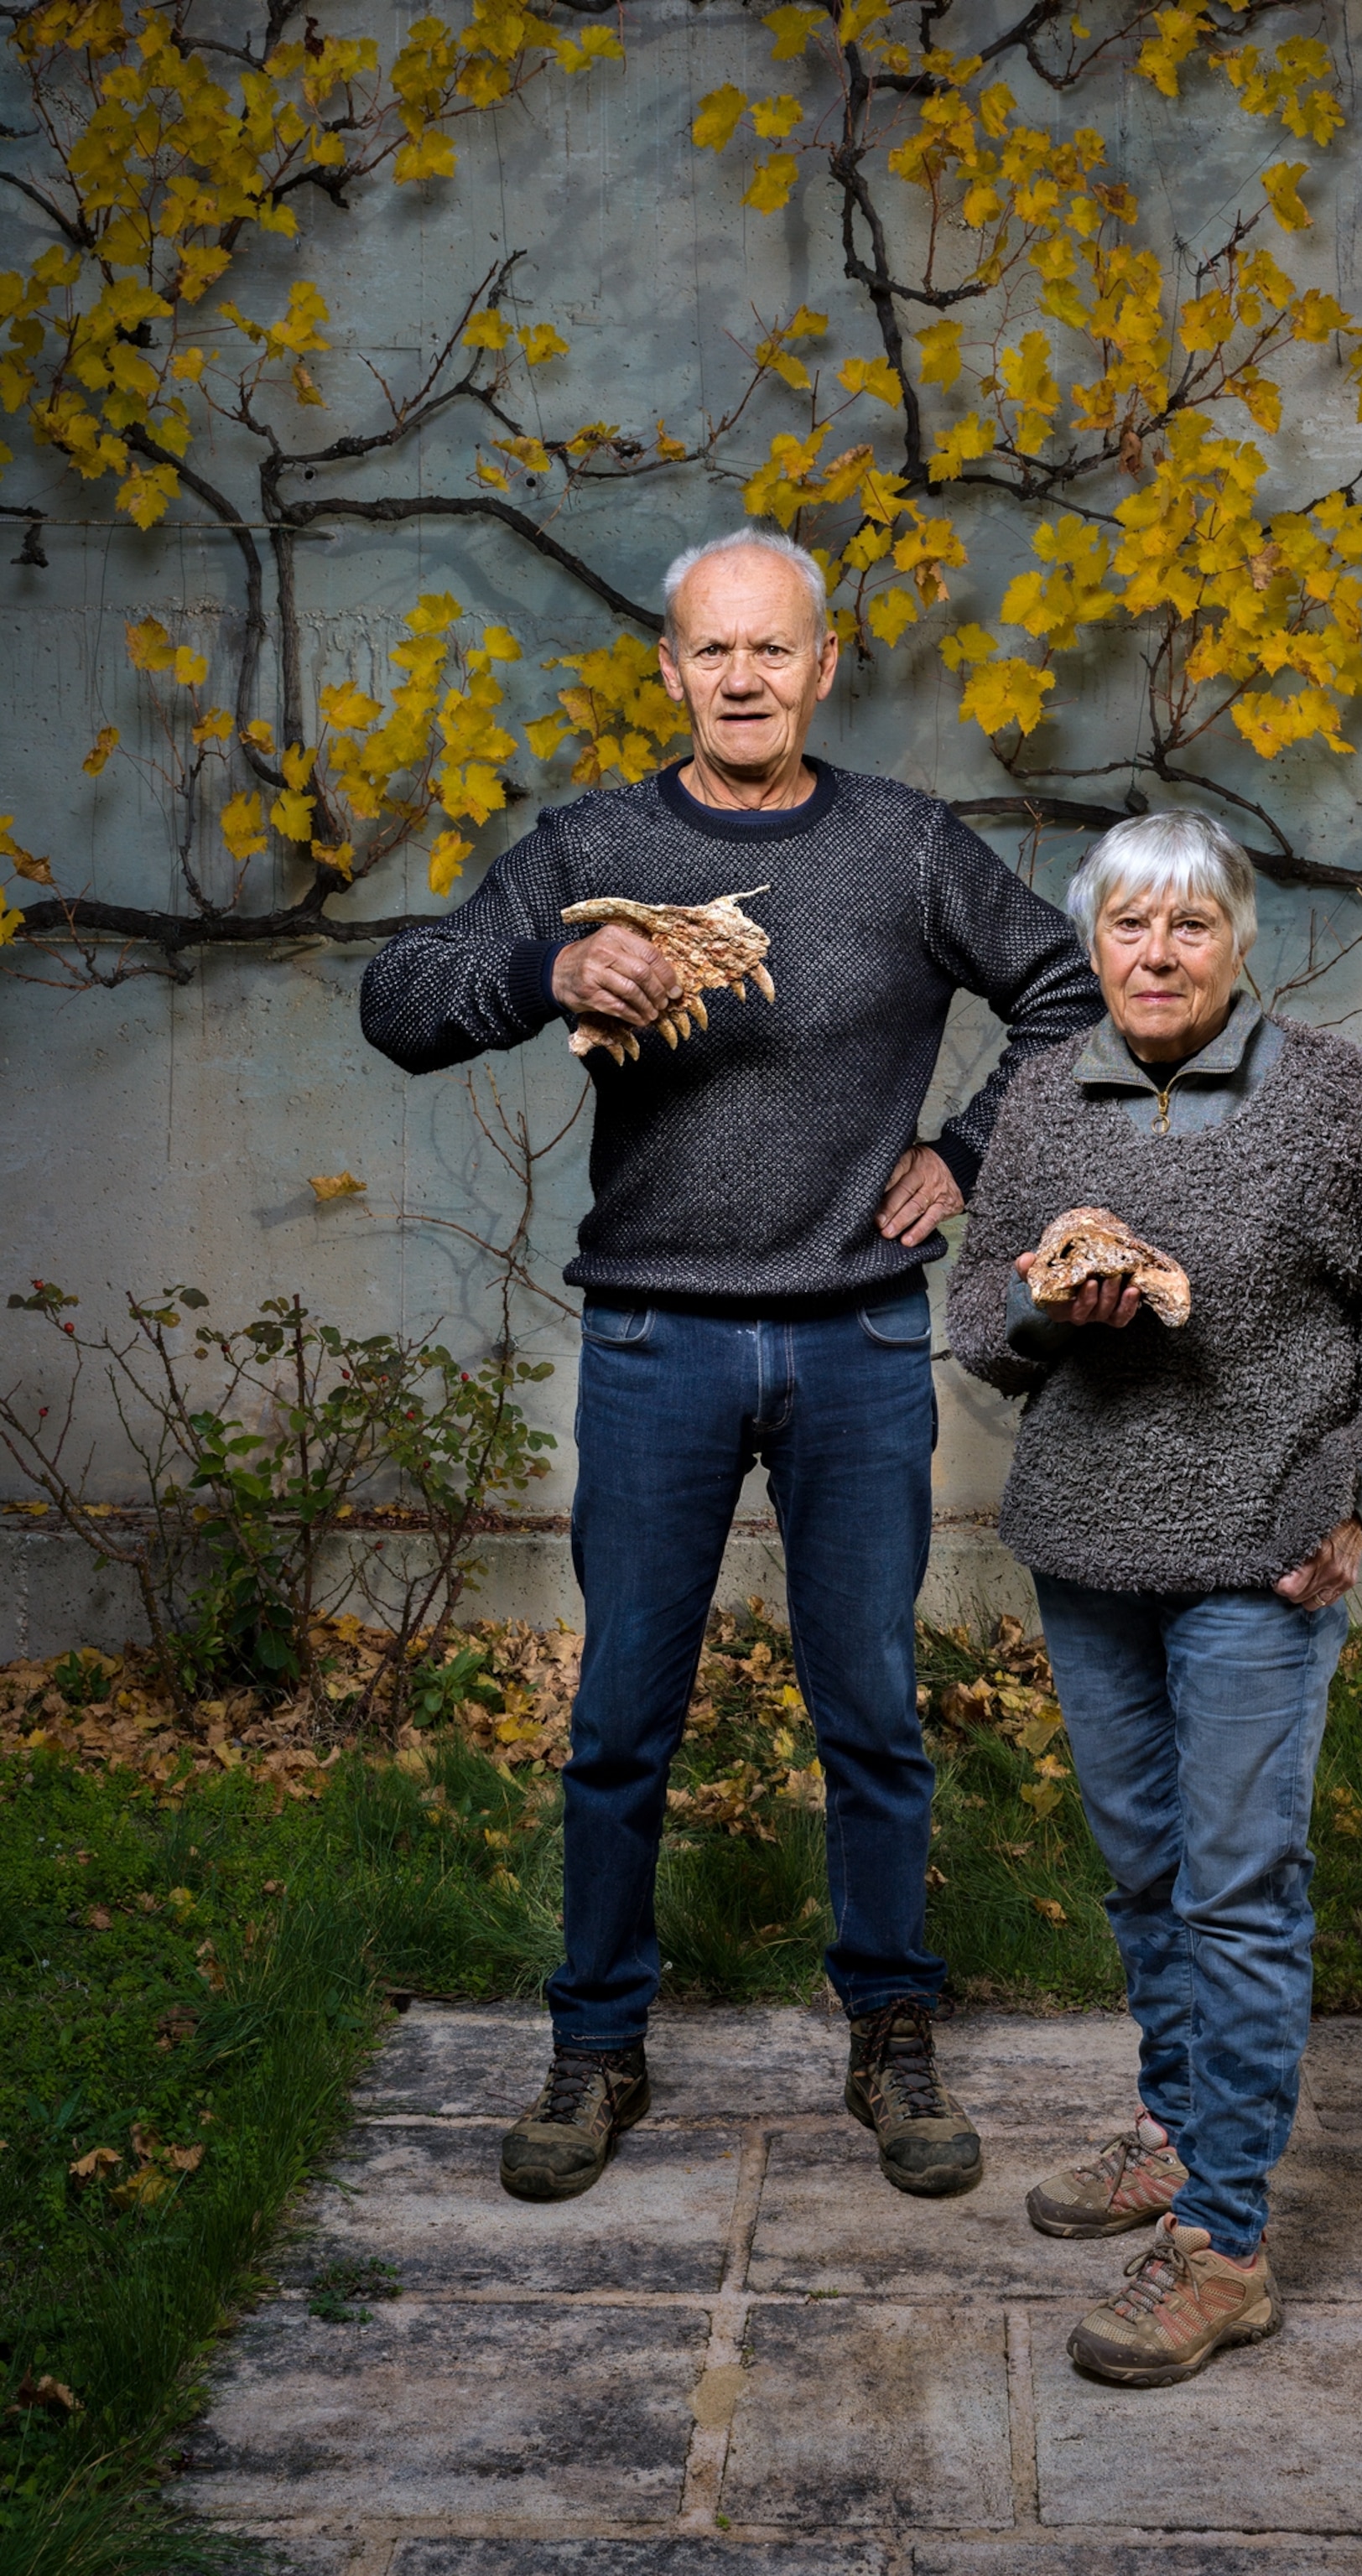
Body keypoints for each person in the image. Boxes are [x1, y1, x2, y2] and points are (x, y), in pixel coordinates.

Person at [361, 527, 1102, 2207]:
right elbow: (398, 997)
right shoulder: (597, 845)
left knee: (874, 1716)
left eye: (776, 651)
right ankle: (597, 2042)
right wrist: (547, 965)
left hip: (851, 1335)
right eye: (716, 653)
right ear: (674, 673)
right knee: (623, 1717)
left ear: (825, 668)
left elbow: (1066, 990)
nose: (747, 677)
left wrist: (974, 1156)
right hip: (653, 1341)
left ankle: (892, 2034)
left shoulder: (908, 848)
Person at [947, 808, 1362, 2386]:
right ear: (1092, 944)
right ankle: (1174, 2128)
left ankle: (1227, 2241)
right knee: (1144, 1869)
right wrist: (1050, 1315)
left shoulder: (1331, 1100)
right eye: (1126, 928)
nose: (1155, 956)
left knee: (1238, 1889)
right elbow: (979, 1318)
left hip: (1263, 1549)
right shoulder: (1045, 1098)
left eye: (1188, 927)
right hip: (1089, 1548)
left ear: (1241, 941)